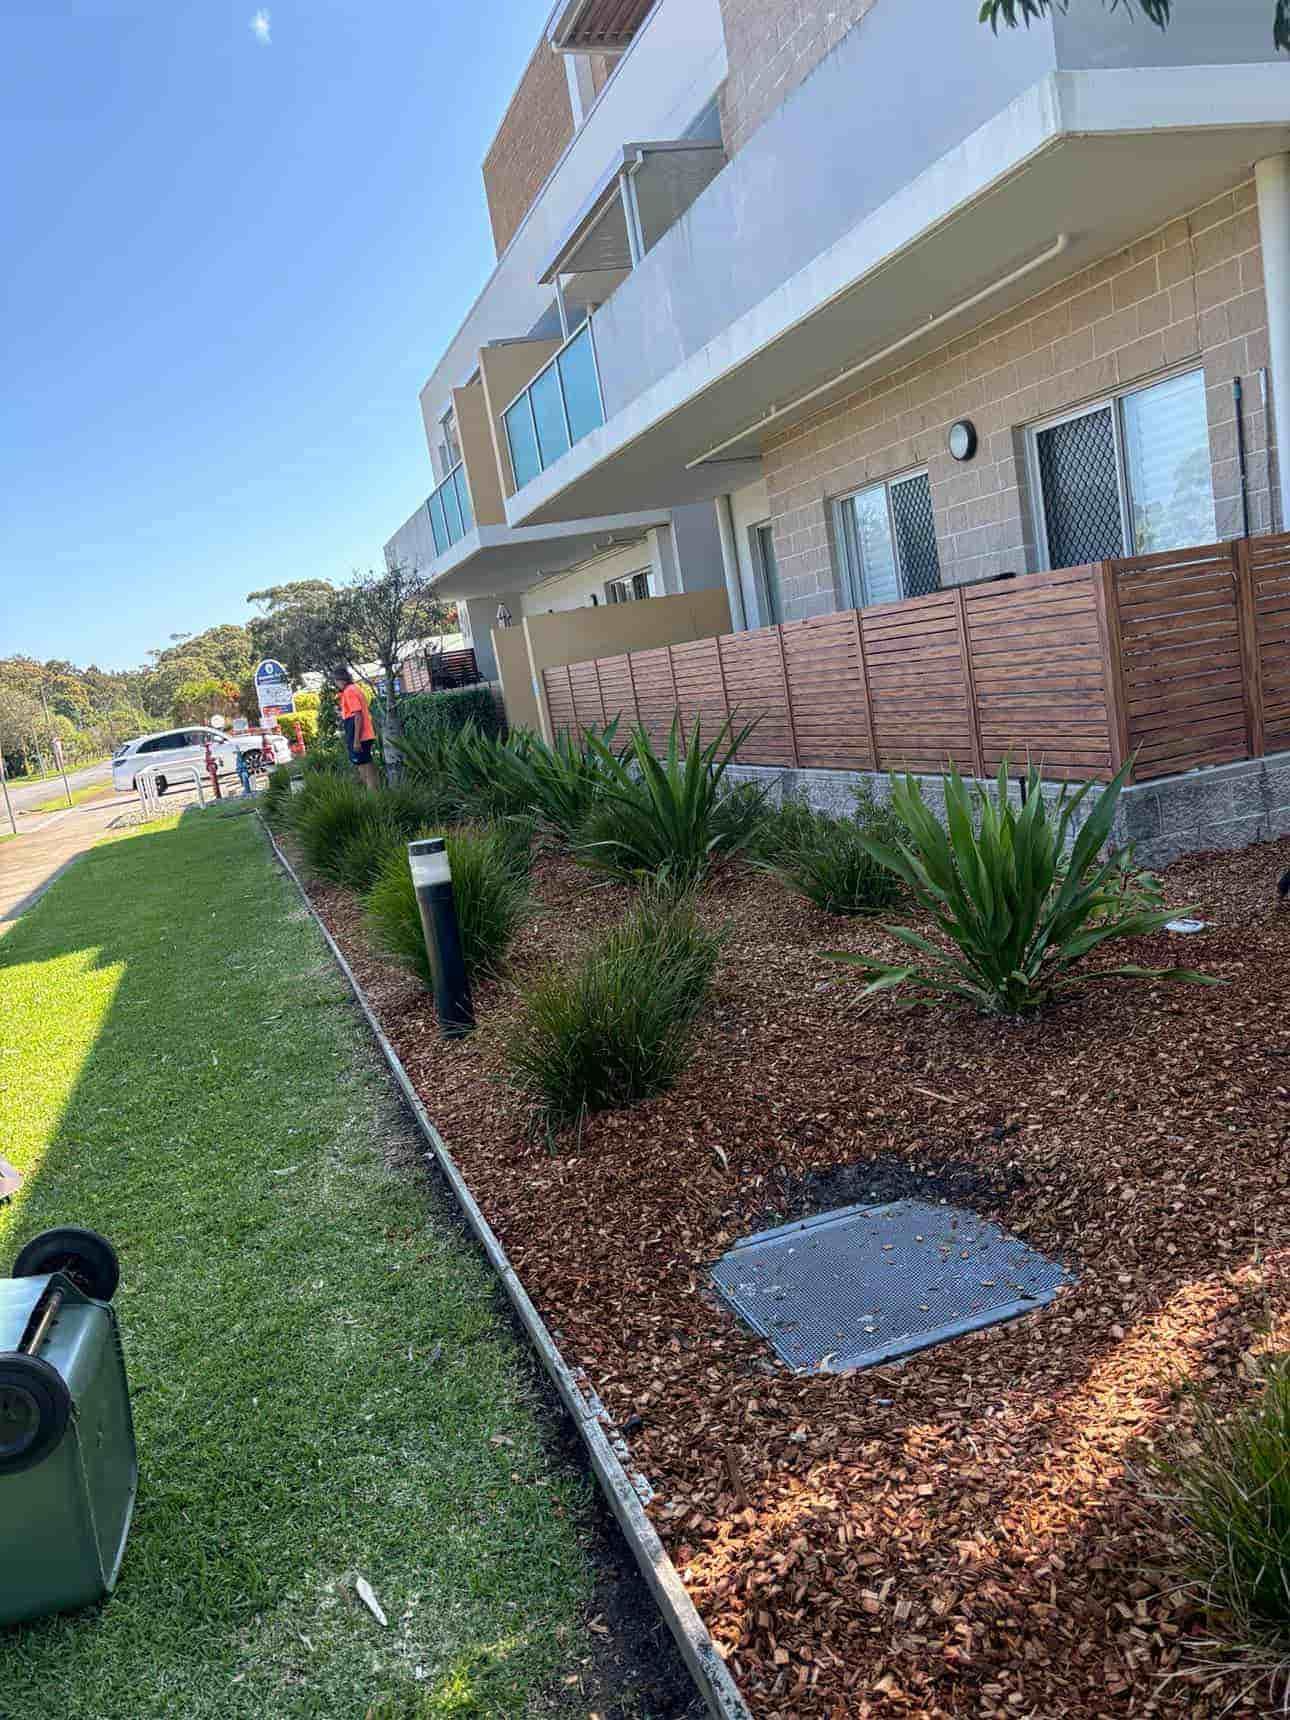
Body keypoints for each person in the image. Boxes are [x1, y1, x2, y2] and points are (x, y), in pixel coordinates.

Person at [333, 666, 378, 791]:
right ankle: (372, 796)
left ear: (340, 680)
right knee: (363, 766)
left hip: (361, 736)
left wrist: (356, 740)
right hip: (363, 734)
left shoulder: (349, 691)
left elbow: (357, 715)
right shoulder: (353, 689)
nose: (336, 685)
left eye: (336, 682)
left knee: (366, 769)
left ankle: (374, 799)